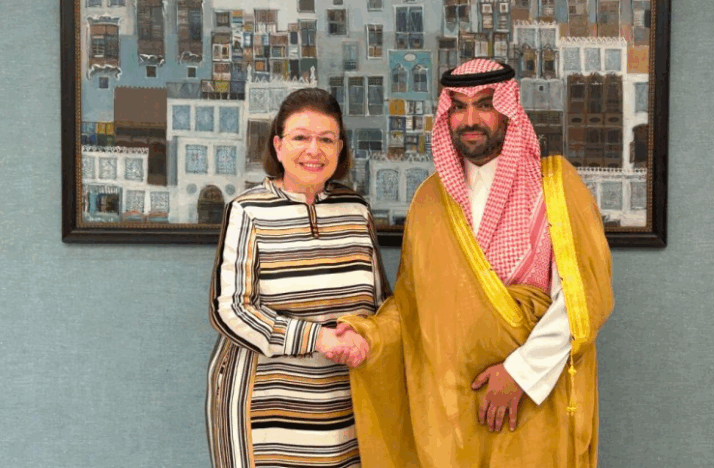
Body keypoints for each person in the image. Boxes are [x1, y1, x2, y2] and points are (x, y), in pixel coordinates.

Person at [335, 59, 614, 467]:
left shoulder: (555, 186)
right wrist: (368, 336)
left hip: (534, 400)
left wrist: (519, 374)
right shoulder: (430, 200)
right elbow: (413, 308)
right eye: (459, 106)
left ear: (508, 109)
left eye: (485, 104)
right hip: (453, 410)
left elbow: (582, 298)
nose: (470, 120)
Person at [205, 88, 387, 468]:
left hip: (347, 405)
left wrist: (368, 335)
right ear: (278, 145)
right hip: (263, 411)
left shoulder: (357, 210)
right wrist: (317, 337)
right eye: (300, 137)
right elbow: (230, 310)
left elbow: (380, 302)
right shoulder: (247, 210)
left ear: (340, 147)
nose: (313, 150)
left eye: (326, 139)